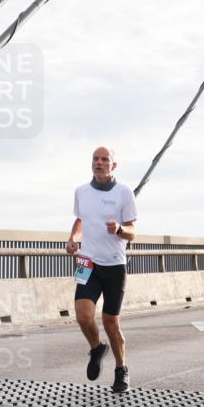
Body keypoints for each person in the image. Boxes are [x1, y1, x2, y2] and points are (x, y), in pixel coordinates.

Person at [65, 147, 137, 393]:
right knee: (83, 316)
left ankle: (121, 369)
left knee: (110, 322)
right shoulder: (81, 192)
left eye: (105, 159)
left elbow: (132, 232)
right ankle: (96, 349)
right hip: (87, 262)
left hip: (115, 265)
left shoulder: (124, 193)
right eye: (95, 159)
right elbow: (80, 220)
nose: (99, 163)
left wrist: (119, 229)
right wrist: (73, 239)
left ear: (113, 165)